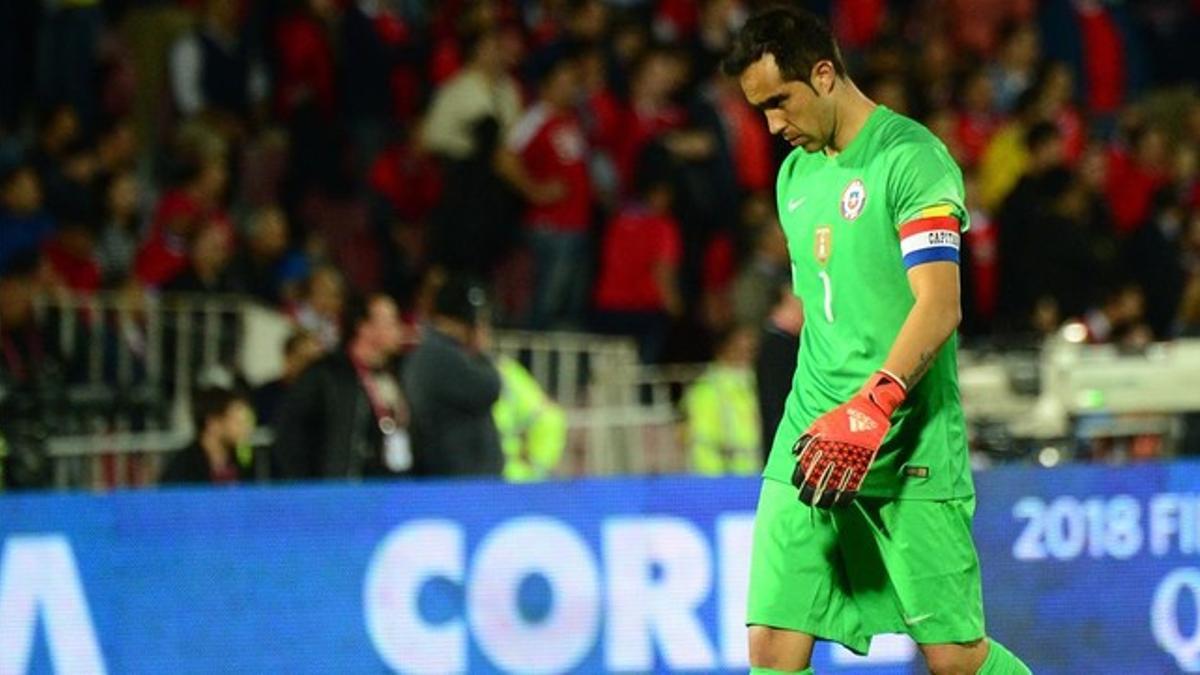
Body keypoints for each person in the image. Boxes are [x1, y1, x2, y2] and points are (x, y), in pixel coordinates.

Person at [723, 7, 1030, 675]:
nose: (773, 126)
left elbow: (940, 306)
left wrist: (875, 402)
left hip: (905, 436)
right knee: (772, 644)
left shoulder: (911, 160)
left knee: (955, 658)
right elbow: (829, 309)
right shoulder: (794, 178)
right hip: (813, 440)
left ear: (825, 74)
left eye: (780, 101)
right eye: (759, 111)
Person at [273, 292, 412, 480]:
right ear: (364, 327)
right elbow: (289, 437)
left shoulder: (393, 376)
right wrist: (306, 493)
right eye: (390, 321)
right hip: (333, 499)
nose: (399, 328)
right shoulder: (325, 376)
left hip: (380, 497)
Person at [403, 275, 503, 477]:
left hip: (458, 480)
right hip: (455, 483)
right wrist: (481, 353)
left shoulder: (438, 352)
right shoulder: (438, 355)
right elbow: (489, 387)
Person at [682, 326, 762, 476]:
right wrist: (715, 484)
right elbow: (703, 442)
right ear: (722, 350)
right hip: (725, 482)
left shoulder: (758, 384)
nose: (745, 356)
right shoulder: (706, 390)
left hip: (759, 477)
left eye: (751, 350)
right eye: (738, 349)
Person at [159, 386, 254, 485]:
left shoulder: (242, 464)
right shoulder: (183, 467)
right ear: (212, 424)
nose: (246, 429)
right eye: (237, 422)